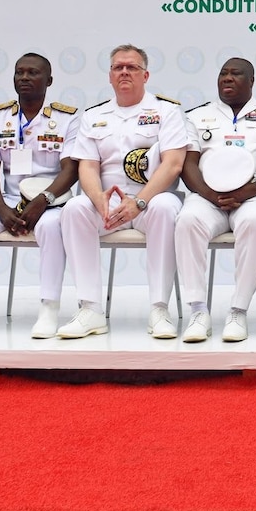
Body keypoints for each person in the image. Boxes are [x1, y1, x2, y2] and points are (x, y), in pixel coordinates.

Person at [57, 44, 189, 339]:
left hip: (150, 200)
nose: (125, 72)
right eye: (119, 67)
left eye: (132, 67)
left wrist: (140, 201)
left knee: (166, 207)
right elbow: (88, 167)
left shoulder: (166, 111)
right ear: (110, 76)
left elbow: (173, 165)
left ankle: (159, 309)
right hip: (109, 205)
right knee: (74, 209)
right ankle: (90, 309)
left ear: (146, 75)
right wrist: (98, 200)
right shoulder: (94, 115)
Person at [0, 53, 80, 340]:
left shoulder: (66, 118)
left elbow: (71, 169)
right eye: (19, 72)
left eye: (32, 73)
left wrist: (43, 200)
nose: (24, 78)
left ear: (49, 81)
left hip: (52, 199)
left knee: (49, 227)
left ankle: (49, 308)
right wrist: (0, 209)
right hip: (7, 198)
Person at [174, 57, 256, 343]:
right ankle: (198, 311)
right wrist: (211, 194)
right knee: (187, 221)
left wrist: (246, 193)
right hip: (207, 195)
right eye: (223, 73)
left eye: (236, 74)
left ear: (251, 81)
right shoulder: (197, 115)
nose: (227, 78)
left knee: (255, 222)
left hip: (255, 194)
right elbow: (188, 163)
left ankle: (238, 311)